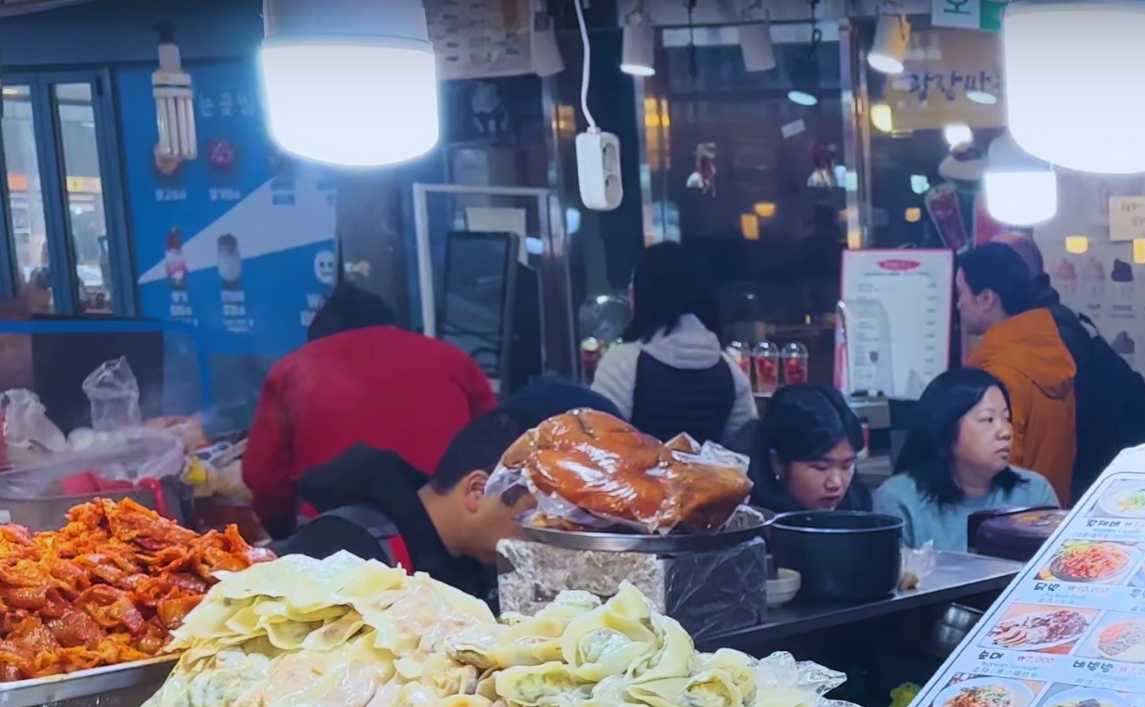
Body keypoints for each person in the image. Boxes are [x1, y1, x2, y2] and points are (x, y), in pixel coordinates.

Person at [278, 380, 617, 600]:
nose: (546, 535)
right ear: (479, 489)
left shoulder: (472, 566)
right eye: (538, 517)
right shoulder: (341, 553)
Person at [242, 283, 496, 533]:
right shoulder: (455, 360)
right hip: (448, 538)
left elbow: (265, 479)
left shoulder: (291, 371)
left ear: (319, 337)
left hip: (338, 543)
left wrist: (282, 533)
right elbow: (498, 454)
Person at [873, 367, 1058, 552]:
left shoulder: (1034, 491)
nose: (1005, 432)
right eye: (988, 420)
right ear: (945, 427)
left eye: (1007, 418)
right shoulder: (898, 500)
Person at [590, 242, 758, 445]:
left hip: (637, 476)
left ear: (642, 295)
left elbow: (600, 440)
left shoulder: (623, 361)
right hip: (709, 477)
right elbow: (744, 441)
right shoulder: (730, 368)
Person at [955, 243, 1078, 491]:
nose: (959, 305)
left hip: (1006, 522)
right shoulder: (1050, 356)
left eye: (961, 293)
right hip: (1047, 514)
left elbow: (995, 472)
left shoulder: (1000, 375)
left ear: (986, 298)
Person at [741, 383, 873, 515]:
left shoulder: (858, 508)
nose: (835, 483)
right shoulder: (745, 517)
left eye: (846, 466)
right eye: (821, 467)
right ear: (777, 463)